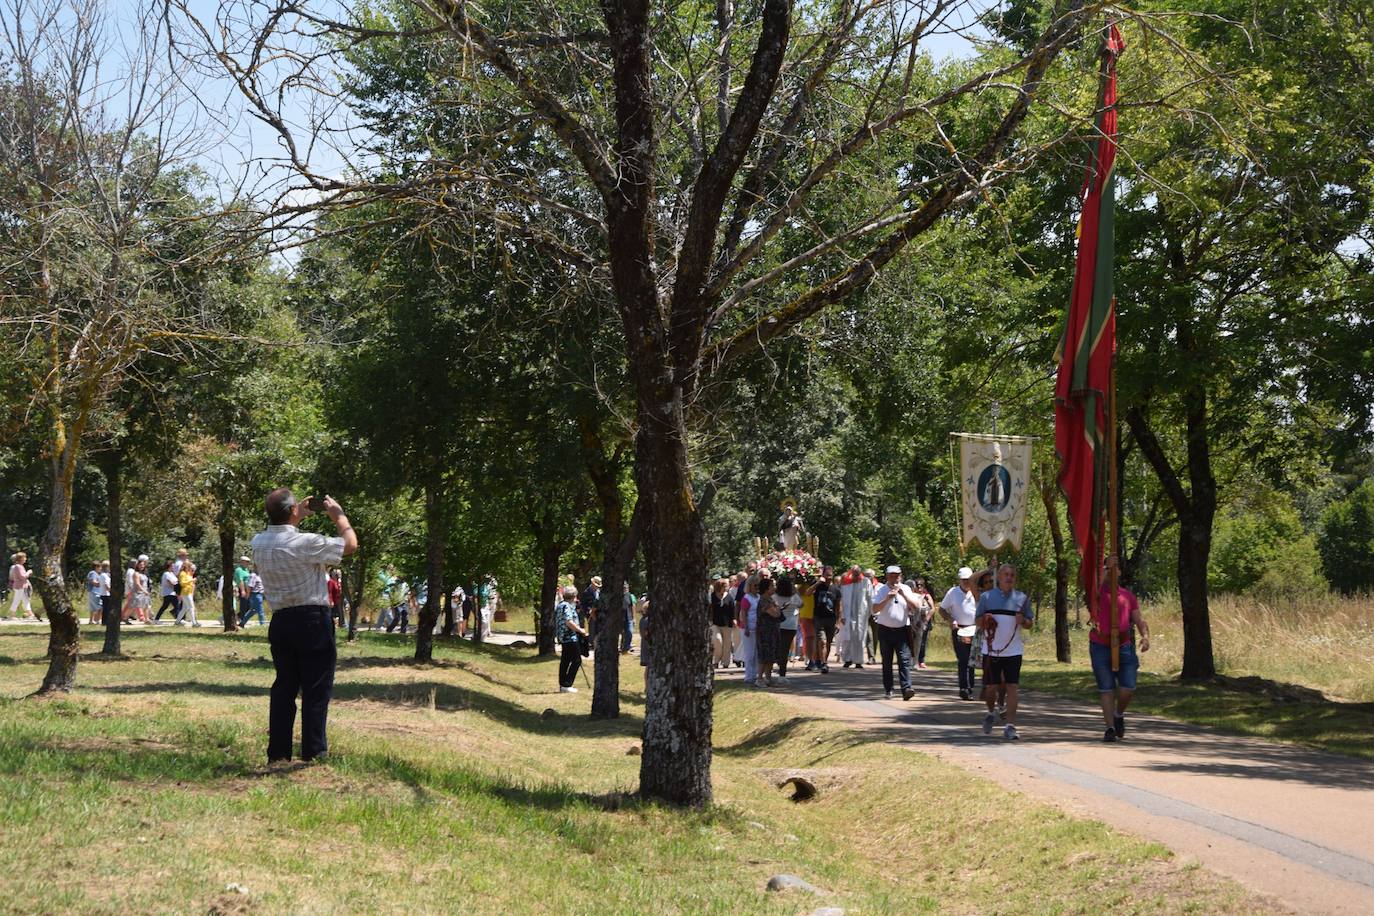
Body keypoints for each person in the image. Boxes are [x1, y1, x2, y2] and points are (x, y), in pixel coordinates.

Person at [252, 488, 357, 763]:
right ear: (292, 511)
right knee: (316, 687)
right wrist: (339, 517)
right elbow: (350, 545)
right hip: (312, 619)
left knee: (284, 687)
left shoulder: (258, 542)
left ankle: (278, 753)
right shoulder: (307, 543)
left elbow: (282, 528)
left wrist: (295, 514)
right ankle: (313, 750)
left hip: (281, 619)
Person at [1091, 557, 1151, 742]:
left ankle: (1118, 714)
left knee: (1128, 687)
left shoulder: (1128, 596)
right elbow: (1095, 581)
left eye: (1115, 568)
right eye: (1108, 569)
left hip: (1123, 645)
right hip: (1100, 645)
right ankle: (1109, 728)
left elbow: (1139, 619)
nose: (1112, 571)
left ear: (1120, 572)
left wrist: (1145, 636)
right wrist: (1105, 566)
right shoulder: (1097, 593)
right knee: (1106, 688)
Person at [976, 563, 1033, 740]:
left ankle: (1010, 725)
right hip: (992, 650)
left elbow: (1030, 623)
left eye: (1012, 575)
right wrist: (985, 619)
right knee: (991, 688)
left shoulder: (1022, 598)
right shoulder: (986, 597)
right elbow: (977, 621)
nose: (1009, 577)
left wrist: (1023, 620)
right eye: (1006, 574)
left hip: (1014, 651)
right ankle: (991, 712)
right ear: (999, 577)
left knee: (1012, 687)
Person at [872, 565, 917, 700]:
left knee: (904, 660)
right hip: (885, 630)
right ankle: (889, 689)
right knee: (887, 661)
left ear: (901, 576)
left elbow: (915, 608)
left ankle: (906, 688)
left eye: (897, 575)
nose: (894, 578)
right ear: (887, 576)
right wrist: (887, 598)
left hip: (902, 630)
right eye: (891, 575)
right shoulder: (880, 590)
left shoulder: (906, 589)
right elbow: (874, 609)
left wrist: (903, 595)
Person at [938, 566, 979, 699]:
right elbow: (942, 609)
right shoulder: (953, 592)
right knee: (963, 659)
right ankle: (964, 688)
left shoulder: (976, 592)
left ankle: (969, 687)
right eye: (963, 580)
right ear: (959, 580)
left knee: (971, 659)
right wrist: (950, 619)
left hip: (974, 630)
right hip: (959, 629)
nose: (966, 582)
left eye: (968, 580)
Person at [553, 585, 585, 692]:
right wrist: (580, 630)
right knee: (577, 660)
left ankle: (563, 684)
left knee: (565, 661)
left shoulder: (561, 605)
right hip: (569, 637)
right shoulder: (566, 606)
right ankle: (567, 684)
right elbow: (568, 621)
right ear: (573, 596)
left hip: (563, 637)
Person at [839, 565, 871, 668]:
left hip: (861, 615)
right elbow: (842, 600)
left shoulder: (865, 582)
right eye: (854, 573)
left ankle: (858, 661)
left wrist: (870, 613)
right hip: (847, 614)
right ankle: (847, 659)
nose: (856, 575)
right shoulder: (846, 582)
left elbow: (870, 598)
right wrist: (842, 615)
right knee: (847, 637)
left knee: (859, 637)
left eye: (857, 573)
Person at [808, 566, 839, 673]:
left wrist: (838, 622)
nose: (828, 578)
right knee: (822, 641)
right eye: (826, 575)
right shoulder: (818, 586)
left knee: (829, 642)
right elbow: (808, 593)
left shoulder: (836, 589)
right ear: (823, 575)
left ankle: (823, 661)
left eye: (830, 575)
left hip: (831, 619)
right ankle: (824, 663)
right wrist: (817, 583)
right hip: (819, 618)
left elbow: (839, 607)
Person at [754, 576, 782, 687]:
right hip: (764, 632)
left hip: (772, 631)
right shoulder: (763, 601)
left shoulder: (771, 600)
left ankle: (768, 678)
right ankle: (759, 678)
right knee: (764, 656)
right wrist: (778, 609)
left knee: (771, 656)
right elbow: (775, 613)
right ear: (766, 588)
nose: (774, 588)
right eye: (772, 586)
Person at [774, 576, 801, 682]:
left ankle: (777, 664)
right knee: (785, 650)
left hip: (779, 625)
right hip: (791, 626)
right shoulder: (794, 597)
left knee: (778, 648)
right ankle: (782, 673)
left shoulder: (774, 597)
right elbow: (801, 604)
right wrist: (795, 590)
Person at [736, 574, 761, 686]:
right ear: (750, 586)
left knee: (756, 653)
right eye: (755, 586)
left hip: (757, 628)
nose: (757, 588)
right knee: (749, 653)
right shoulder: (746, 598)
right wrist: (746, 626)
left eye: (758, 585)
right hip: (748, 628)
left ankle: (755, 674)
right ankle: (748, 675)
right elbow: (743, 614)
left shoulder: (759, 597)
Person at [709, 577, 735, 669]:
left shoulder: (729, 597)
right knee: (717, 641)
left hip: (727, 624)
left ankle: (725, 662)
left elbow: (733, 610)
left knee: (727, 644)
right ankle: (715, 660)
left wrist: (734, 620)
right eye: (725, 586)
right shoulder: (712, 596)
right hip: (715, 623)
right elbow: (709, 609)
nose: (727, 588)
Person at [910, 576, 936, 670]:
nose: (919, 587)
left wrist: (926, 619)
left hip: (924, 622)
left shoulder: (927, 596)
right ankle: (911, 660)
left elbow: (933, 608)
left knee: (922, 642)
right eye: (918, 585)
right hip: (913, 622)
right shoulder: (911, 595)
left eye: (921, 585)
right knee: (911, 641)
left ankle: (921, 660)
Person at [8, 552, 34, 619]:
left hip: (22, 586)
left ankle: (30, 614)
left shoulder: (20, 566)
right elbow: (22, 577)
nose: (25, 559)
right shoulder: (18, 567)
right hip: (19, 586)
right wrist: (29, 572)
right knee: (17, 600)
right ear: (20, 558)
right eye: (24, 557)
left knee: (25, 600)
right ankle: (12, 615)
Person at [175, 560, 200, 627]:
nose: (190, 568)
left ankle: (177, 622)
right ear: (186, 566)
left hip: (189, 592)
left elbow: (190, 579)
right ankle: (194, 623)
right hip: (185, 593)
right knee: (191, 607)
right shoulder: (182, 573)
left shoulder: (187, 573)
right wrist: (191, 580)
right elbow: (182, 583)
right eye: (189, 566)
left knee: (184, 609)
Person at [233, 556, 253, 626]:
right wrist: (243, 591)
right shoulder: (239, 570)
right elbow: (240, 581)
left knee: (249, 605)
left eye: (248, 562)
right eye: (246, 562)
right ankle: (240, 618)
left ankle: (238, 617)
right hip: (242, 588)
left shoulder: (246, 569)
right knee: (244, 605)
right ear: (242, 562)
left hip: (248, 589)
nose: (248, 563)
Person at [620, 581, 636, 654]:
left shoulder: (629, 595)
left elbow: (632, 606)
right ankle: (623, 648)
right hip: (621, 618)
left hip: (629, 618)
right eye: (624, 587)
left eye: (626, 587)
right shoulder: (619, 596)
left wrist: (634, 618)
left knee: (629, 632)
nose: (625, 589)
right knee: (623, 633)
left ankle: (627, 647)